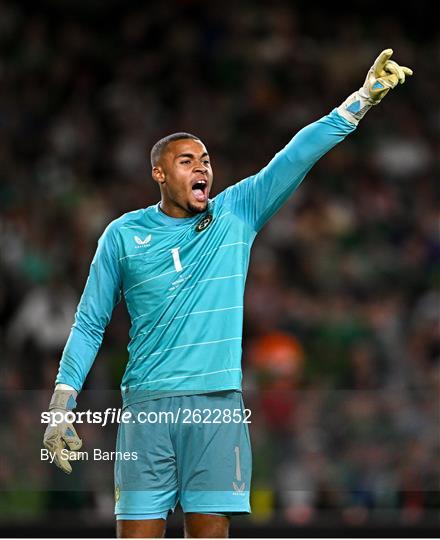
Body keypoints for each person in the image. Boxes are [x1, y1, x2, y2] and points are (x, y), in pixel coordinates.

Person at [43, 49, 412, 538]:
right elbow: (90, 322)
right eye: (186, 161)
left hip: (217, 408)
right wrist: (61, 405)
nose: (202, 168)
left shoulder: (236, 212)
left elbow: (295, 156)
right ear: (159, 173)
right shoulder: (123, 235)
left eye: (207, 160)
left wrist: (360, 101)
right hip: (147, 410)